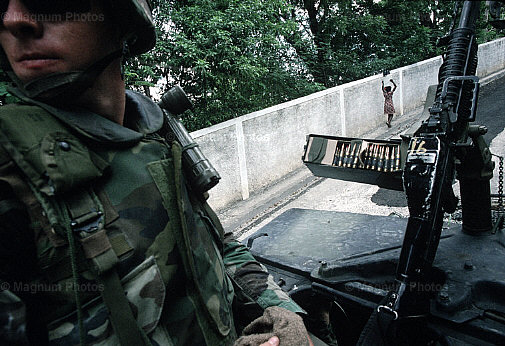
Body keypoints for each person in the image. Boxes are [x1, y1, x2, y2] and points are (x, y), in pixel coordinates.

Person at [0, 1, 315, 345]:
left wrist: (279, 310)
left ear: (123, 18)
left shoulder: (155, 131)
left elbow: (217, 245)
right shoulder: (12, 174)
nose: (15, 20)